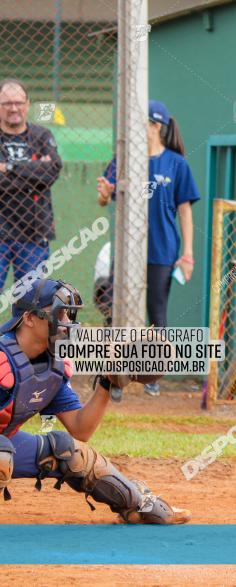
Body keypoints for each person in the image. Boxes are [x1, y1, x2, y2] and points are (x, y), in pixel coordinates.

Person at [0, 278, 190, 523]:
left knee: (69, 452)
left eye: (69, 316)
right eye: (59, 314)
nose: (67, 323)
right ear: (28, 318)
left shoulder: (52, 367)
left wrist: (108, 382)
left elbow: (81, 428)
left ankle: (136, 504)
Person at [97, 100, 199, 396]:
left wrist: (188, 255)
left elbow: (185, 212)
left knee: (157, 313)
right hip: (127, 250)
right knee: (116, 311)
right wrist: (104, 194)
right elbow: (105, 198)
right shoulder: (124, 158)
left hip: (162, 249)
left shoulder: (176, 163)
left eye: (140, 122)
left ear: (155, 126)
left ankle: (151, 375)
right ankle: (114, 377)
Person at [0, 79, 63, 290]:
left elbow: (52, 170)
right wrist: (33, 172)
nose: (13, 108)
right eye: (7, 103)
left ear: (28, 104)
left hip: (34, 234)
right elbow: (42, 174)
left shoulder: (42, 136)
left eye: (18, 102)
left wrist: (9, 168)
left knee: (29, 305)